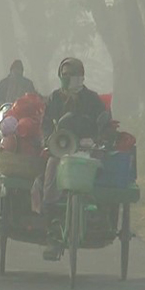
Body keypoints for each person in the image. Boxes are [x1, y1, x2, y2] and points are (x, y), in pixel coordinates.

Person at [40, 57, 106, 261]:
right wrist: (50, 140)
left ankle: (98, 213)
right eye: (64, 75)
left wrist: (97, 138)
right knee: (51, 170)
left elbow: (104, 123)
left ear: (81, 77)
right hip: (61, 151)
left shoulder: (92, 99)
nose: (66, 79)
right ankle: (53, 230)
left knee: (101, 172)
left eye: (71, 75)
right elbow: (45, 126)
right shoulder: (54, 98)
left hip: (87, 150)